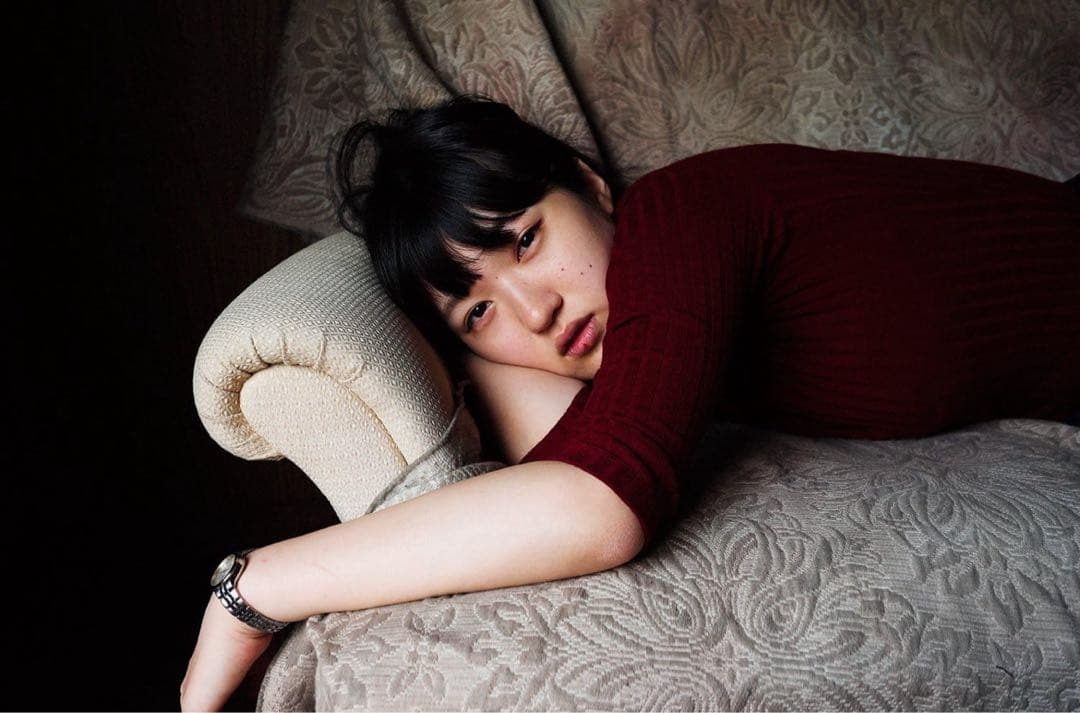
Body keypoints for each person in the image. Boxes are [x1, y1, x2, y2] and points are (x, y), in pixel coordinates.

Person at [180, 94, 1080, 710]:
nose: (537, 311)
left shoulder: (683, 215)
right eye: (479, 310)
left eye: (527, 239)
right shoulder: (654, 335)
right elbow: (562, 465)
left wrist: (252, 588)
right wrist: (475, 355)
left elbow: (602, 505)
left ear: (590, 184)